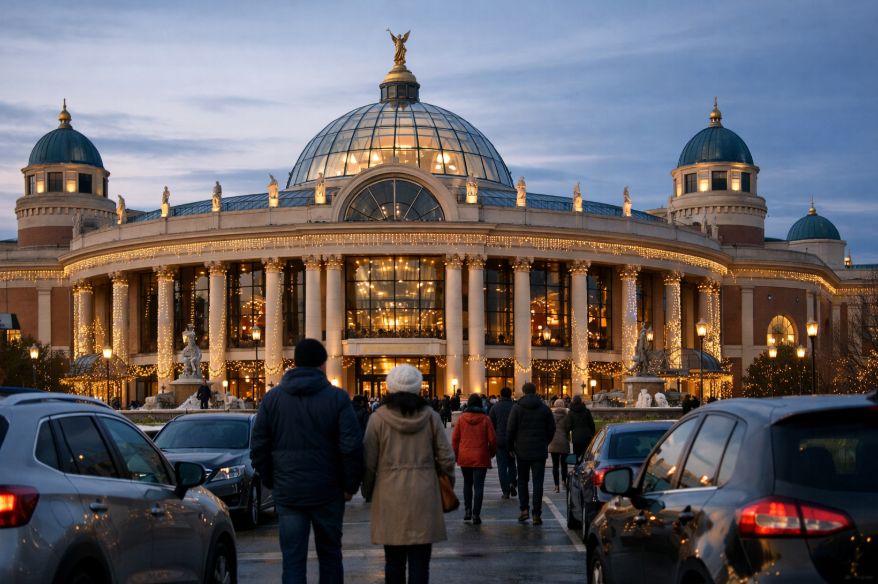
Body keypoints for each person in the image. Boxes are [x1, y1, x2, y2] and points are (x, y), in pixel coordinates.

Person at [250, 338, 363, 584]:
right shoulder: (337, 398)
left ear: (295, 363)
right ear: (322, 365)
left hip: (289, 490)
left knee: (292, 560)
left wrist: (273, 480)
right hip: (328, 490)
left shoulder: (272, 399)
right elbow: (352, 447)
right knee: (330, 556)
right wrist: (350, 486)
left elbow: (258, 447)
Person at [363, 364, 454, 584]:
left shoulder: (378, 419)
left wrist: (368, 489)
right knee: (420, 563)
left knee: (393, 561)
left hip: (389, 494)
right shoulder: (431, 417)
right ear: (419, 389)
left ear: (389, 388)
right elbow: (446, 458)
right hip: (424, 492)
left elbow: (368, 462)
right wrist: (445, 484)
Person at [507, 382, 555, 525]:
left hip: (522, 450)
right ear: (536, 391)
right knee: (538, 482)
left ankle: (524, 509)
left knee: (522, 481)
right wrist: (545, 442)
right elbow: (552, 429)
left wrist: (510, 447)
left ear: (523, 391)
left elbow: (510, 429)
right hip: (539, 450)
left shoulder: (517, 408)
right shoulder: (544, 408)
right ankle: (536, 513)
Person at [452, 394, 497, 525]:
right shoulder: (485, 419)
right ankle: (476, 514)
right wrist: (491, 453)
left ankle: (467, 510)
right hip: (481, 456)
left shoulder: (461, 419)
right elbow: (493, 440)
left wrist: (456, 455)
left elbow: (455, 439)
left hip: (465, 456)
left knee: (467, 484)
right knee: (479, 486)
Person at [489, 387, 518, 499]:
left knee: (502, 467)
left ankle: (505, 490)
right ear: (510, 395)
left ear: (500, 395)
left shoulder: (495, 407)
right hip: (513, 440)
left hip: (500, 440)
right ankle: (512, 482)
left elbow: (491, 425)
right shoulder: (515, 406)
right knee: (512, 463)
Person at [548, 399, 571, 493]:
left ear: (555, 405)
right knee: (564, 465)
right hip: (564, 442)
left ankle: (556, 486)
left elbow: (549, 428)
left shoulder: (551, 416)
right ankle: (564, 481)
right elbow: (568, 428)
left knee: (555, 465)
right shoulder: (567, 416)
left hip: (553, 442)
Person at [566, 395, 596, 461]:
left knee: (576, 454)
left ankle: (576, 465)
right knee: (585, 454)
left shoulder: (571, 413)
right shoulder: (586, 411)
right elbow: (591, 424)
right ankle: (584, 465)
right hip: (586, 436)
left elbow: (568, 426)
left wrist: (567, 435)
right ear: (581, 401)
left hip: (576, 437)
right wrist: (592, 434)